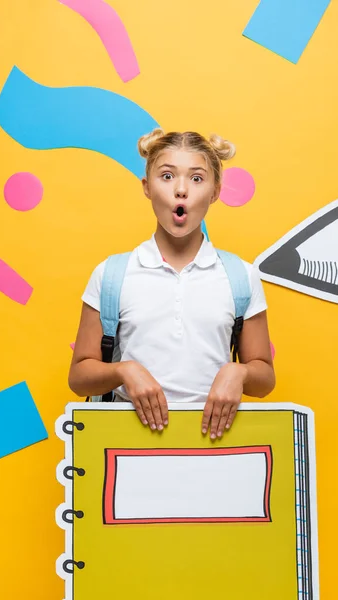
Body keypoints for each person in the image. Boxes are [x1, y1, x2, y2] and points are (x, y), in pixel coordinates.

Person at [68, 129, 275, 439]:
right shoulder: (111, 274)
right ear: (147, 187)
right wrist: (124, 370)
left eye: (196, 178)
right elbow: (79, 377)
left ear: (215, 191)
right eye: (166, 176)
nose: (181, 190)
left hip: (215, 446)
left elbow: (265, 379)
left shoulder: (240, 276)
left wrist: (239, 371)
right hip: (128, 446)